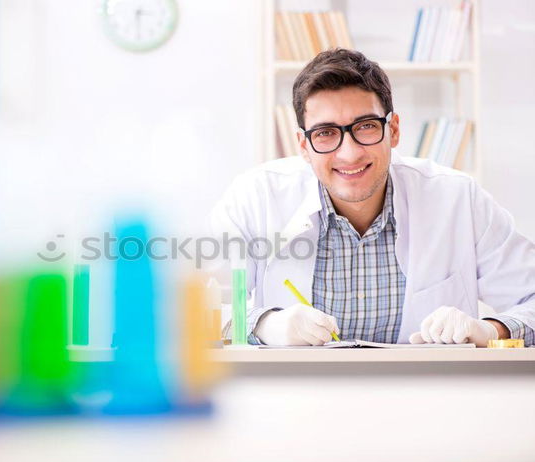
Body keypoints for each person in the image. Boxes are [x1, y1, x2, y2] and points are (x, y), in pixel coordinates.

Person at [208, 48, 535, 347]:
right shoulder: (256, 197)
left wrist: (492, 329)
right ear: (304, 145)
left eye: (365, 127)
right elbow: (187, 310)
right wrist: (263, 324)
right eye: (325, 133)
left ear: (393, 130)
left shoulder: (459, 199)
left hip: (431, 397)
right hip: (294, 397)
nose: (348, 153)